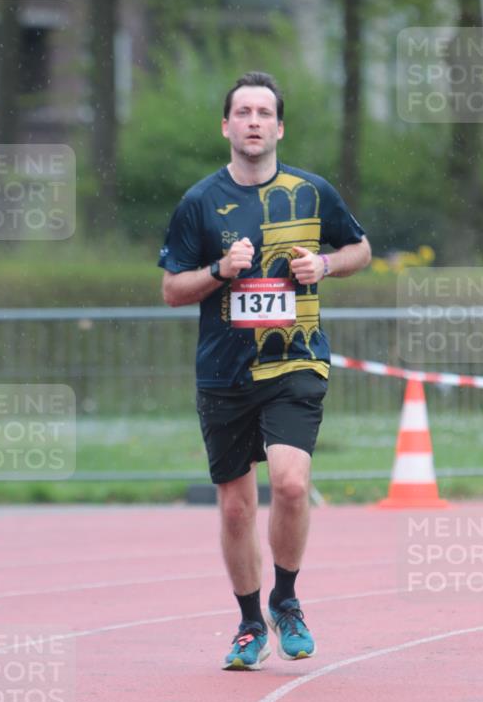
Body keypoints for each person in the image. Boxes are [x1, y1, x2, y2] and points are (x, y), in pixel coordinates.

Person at [159, 71, 371, 670]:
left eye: (264, 113)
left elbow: (361, 248)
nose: (253, 121)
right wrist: (222, 270)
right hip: (224, 370)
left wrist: (325, 266)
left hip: (294, 360)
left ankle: (287, 599)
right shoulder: (200, 202)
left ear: (280, 127)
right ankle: (250, 622)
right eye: (242, 112)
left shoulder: (312, 192)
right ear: (226, 126)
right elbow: (173, 289)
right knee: (235, 508)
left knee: (291, 484)